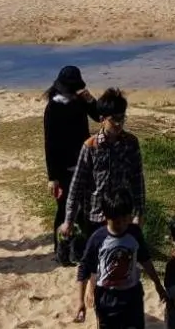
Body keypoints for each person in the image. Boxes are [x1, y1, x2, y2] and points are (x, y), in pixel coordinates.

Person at [61, 89, 147, 245]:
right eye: (114, 119)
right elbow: (77, 185)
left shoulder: (131, 143)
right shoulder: (90, 146)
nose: (119, 123)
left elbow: (137, 179)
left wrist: (139, 213)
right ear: (102, 119)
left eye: (122, 118)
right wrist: (69, 220)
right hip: (96, 216)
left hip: (123, 214)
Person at [75, 188, 165, 328]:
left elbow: (145, 260)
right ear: (105, 217)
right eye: (117, 222)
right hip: (106, 298)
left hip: (132, 296)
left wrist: (158, 284)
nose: (122, 225)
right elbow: (84, 268)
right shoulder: (98, 239)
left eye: (126, 220)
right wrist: (81, 301)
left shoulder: (134, 233)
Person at [44, 65, 99, 264]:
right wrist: (53, 177)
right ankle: (61, 251)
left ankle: (78, 250)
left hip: (84, 162)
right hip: (63, 167)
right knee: (64, 209)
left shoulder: (80, 101)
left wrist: (91, 99)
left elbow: (100, 116)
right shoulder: (53, 107)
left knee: (83, 209)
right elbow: (49, 144)